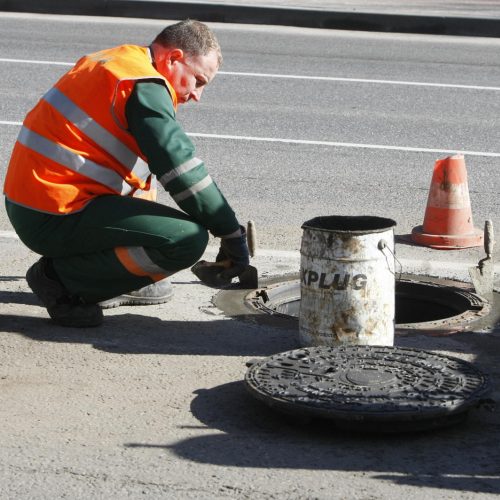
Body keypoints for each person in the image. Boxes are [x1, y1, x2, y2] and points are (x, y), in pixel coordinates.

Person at [3, 19, 249, 328]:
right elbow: (182, 171)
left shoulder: (122, 63)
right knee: (186, 239)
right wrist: (230, 233)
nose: (197, 94)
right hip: (54, 214)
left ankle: (112, 276)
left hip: (39, 202)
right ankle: (60, 282)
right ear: (173, 59)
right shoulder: (144, 85)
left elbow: (141, 175)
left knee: (155, 216)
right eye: (198, 80)